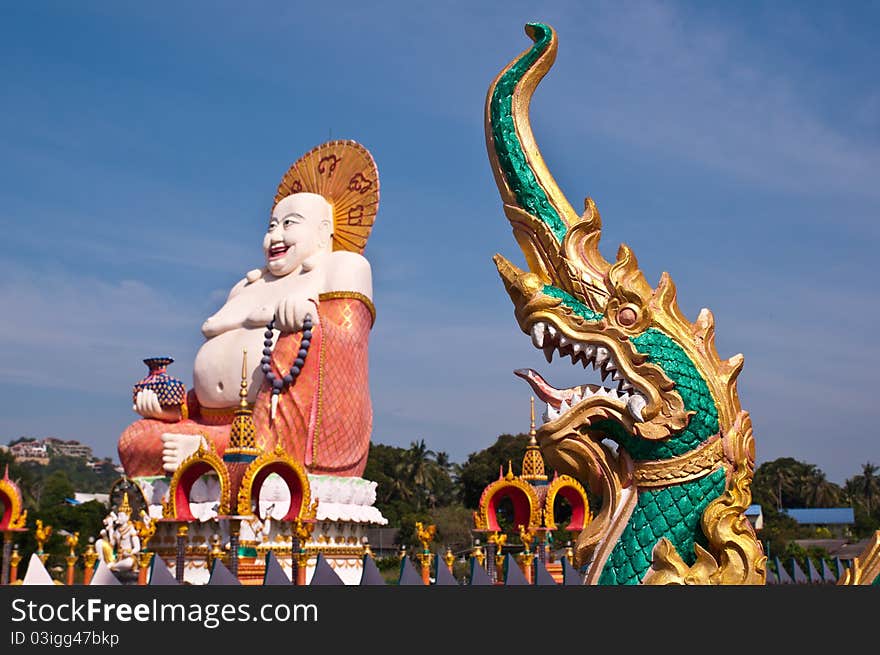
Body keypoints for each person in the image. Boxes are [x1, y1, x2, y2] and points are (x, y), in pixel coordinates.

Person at [118, 140, 378, 479]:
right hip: (213, 424)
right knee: (135, 440)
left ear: (324, 231)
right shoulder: (245, 286)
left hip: (280, 435)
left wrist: (311, 320)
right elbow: (225, 369)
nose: (275, 236)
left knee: (301, 340)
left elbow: (349, 343)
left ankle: (212, 449)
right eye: (271, 226)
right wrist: (176, 407)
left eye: (290, 224)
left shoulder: (342, 266)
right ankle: (211, 445)